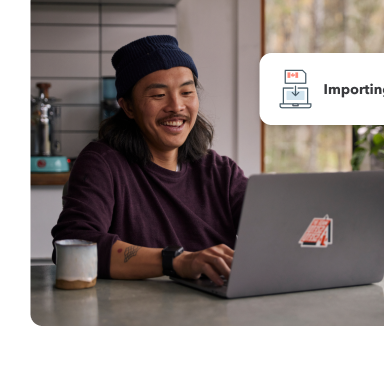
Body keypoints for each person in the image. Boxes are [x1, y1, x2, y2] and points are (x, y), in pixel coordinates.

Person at [51, 35, 248, 286]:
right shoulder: (102, 163)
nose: (176, 106)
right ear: (128, 107)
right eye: (158, 95)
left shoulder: (222, 172)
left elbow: (276, 228)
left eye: (187, 92)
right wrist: (176, 261)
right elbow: (74, 245)